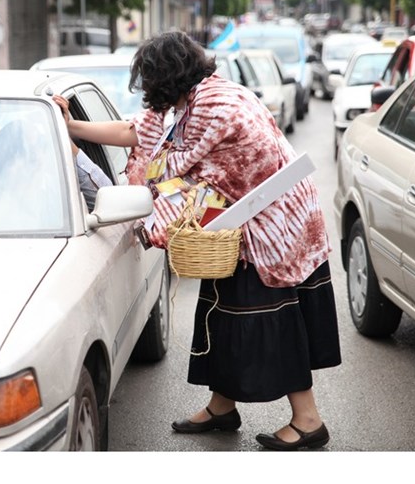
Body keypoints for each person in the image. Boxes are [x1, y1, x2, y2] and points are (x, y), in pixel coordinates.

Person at [54, 30, 342, 451]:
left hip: (274, 224)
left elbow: (168, 169)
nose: (148, 93)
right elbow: (140, 131)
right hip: (243, 220)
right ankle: (222, 406)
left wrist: (145, 215)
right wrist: (72, 127)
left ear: (165, 78)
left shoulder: (212, 107)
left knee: (269, 320)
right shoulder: (196, 97)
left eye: (150, 82)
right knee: (224, 314)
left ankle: (308, 420)